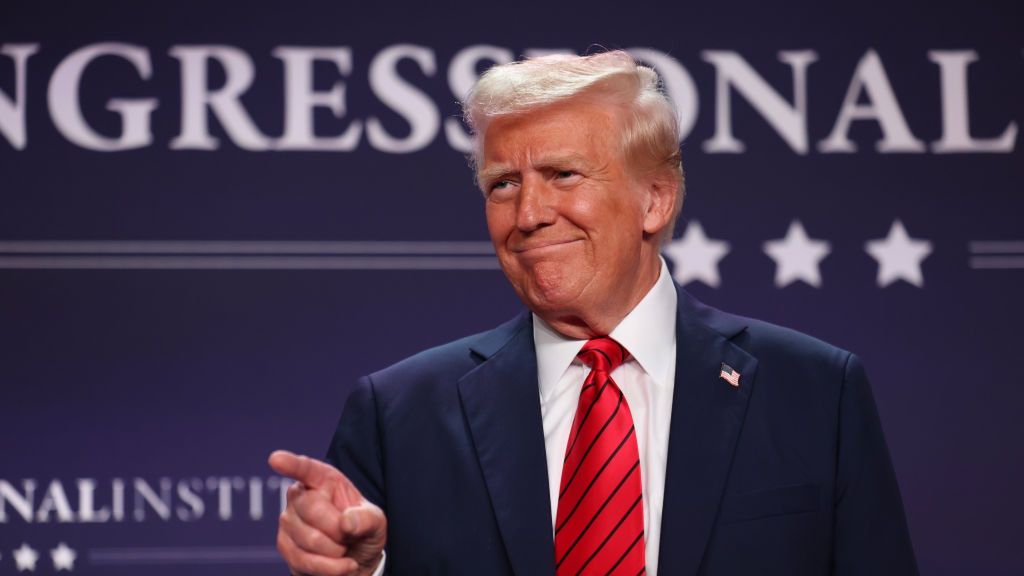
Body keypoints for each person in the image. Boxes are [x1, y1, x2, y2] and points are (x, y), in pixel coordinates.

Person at [269, 50, 918, 576]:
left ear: (655, 200)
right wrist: (363, 572)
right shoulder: (398, 414)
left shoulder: (815, 393)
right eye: (503, 184)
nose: (528, 215)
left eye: (563, 174)